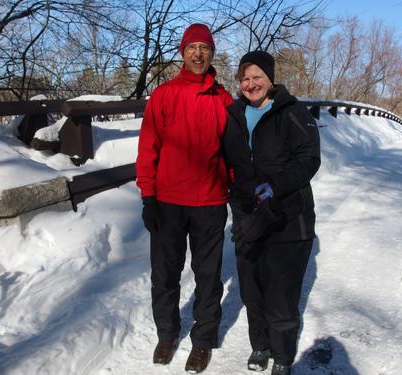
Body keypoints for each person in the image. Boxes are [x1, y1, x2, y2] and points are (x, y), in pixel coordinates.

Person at [136, 23, 233, 374]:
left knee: (208, 276)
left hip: (209, 202)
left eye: (204, 48)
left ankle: (203, 340)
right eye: (191, 47)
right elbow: (149, 148)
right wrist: (148, 196)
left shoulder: (223, 100)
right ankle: (167, 333)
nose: (197, 53)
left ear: (211, 54)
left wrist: (234, 190)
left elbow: (233, 153)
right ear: (182, 52)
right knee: (164, 274)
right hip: (169, 202)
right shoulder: (164, 95)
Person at [223, 51, 321, 375]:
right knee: (252, 287)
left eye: (257, 77)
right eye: (245, 78)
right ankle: (260, 344)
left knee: (281, 291)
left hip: (287, 216)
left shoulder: (291, 112)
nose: (251, 84)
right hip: (249, 214)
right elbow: (222, 158)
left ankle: (281, 354)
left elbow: (309, 159)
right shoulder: (234, 113)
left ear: (270, 79)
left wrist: (275, 186)